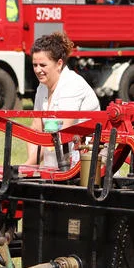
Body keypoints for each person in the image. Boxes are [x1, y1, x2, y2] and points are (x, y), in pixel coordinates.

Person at [23, 32, 100, 170]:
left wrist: (27, 166)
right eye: (35, 65)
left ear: (59, 64)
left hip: (84, 165)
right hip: (57, 162)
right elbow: (36, 129)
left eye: (42, 65)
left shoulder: (72, 84)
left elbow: (62, 129)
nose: (38, 70)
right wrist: (31, 165)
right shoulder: (41, 88)